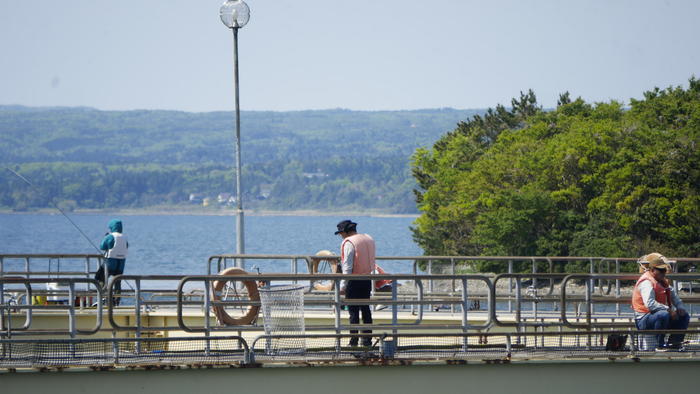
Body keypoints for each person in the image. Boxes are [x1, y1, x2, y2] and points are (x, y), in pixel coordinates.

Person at [632, 253, 689, 351]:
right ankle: (659, 345)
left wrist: (680, 307)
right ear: (653, 270)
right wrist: (669, 310)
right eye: (661, 270)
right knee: (663, 315)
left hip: (657, 316)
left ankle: (674, 344)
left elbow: (675, 297)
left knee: (684, 316)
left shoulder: (662, 281)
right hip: (643, 319)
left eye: (664, 270)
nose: (664, 273)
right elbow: (650, 304)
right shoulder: (646, 282)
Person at [335, 219, 375, 347]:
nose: (341, 235)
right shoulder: (368, 239)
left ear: (346, 232)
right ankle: (367, 339)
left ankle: (353, 341)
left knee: (353, 312)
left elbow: (347, 267)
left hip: (354, 281)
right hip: (367, 279)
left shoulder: (349, 243)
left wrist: (343, 286)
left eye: (341, 233)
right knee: (366, 310)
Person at [97, 219, 128, 305]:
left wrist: (106, 237)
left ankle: (103, 297)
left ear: (112, 227)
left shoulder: (110, 236)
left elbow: (102, 246)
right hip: (121, 264)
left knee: (100, 277)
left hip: (110, 262)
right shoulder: (125, 237)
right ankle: (117, 300)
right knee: (117, 281)